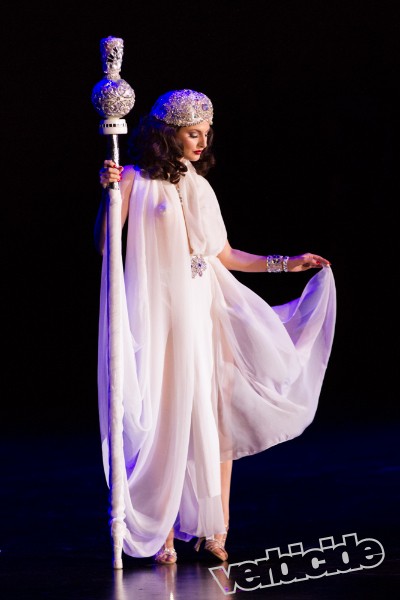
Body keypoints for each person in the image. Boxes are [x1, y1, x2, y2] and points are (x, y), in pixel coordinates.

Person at [95, 89, 336, 565]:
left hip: (205, 313)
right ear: (168, 134)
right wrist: (108, 194)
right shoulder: (135, 180)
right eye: (193, 133)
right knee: (165, 416)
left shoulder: (201, 186)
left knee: (211, 418)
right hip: (160, 317)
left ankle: (215, 529)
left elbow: (224, 255)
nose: (202, 142)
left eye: (206, 133)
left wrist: (286, 263)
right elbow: (106, 247)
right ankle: (162, 529)